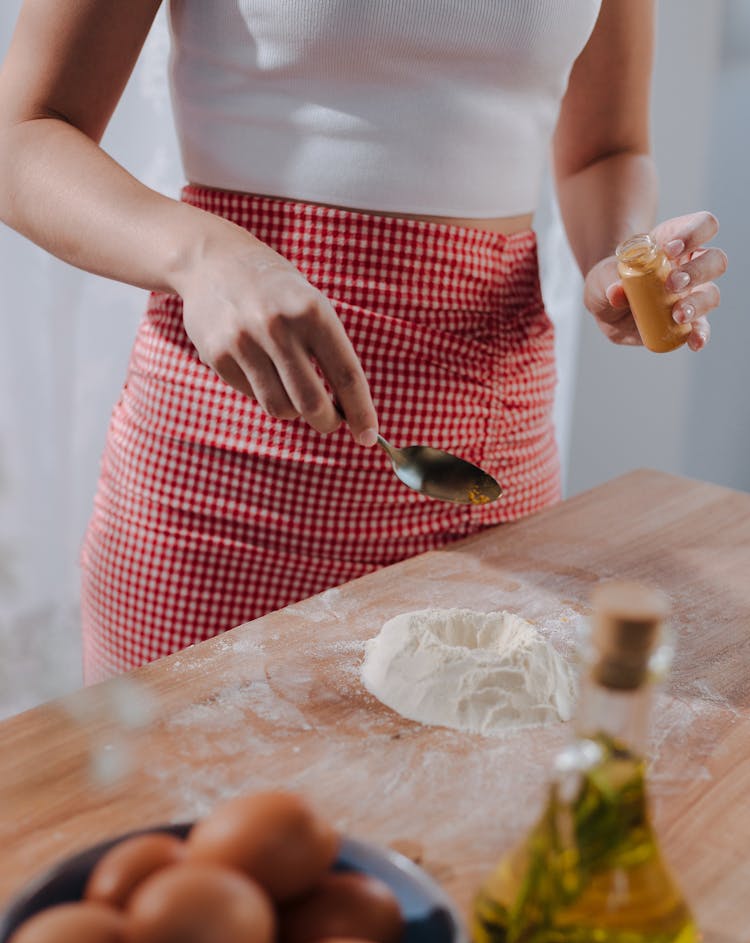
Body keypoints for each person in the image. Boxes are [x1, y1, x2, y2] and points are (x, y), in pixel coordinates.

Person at [0, 1, 726, 684]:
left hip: (490, 477)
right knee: (180, 812)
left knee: (460, 800)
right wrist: (199, 255)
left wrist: (620, 260)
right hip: (225, 482)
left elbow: (605, 149)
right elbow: (22, 135)